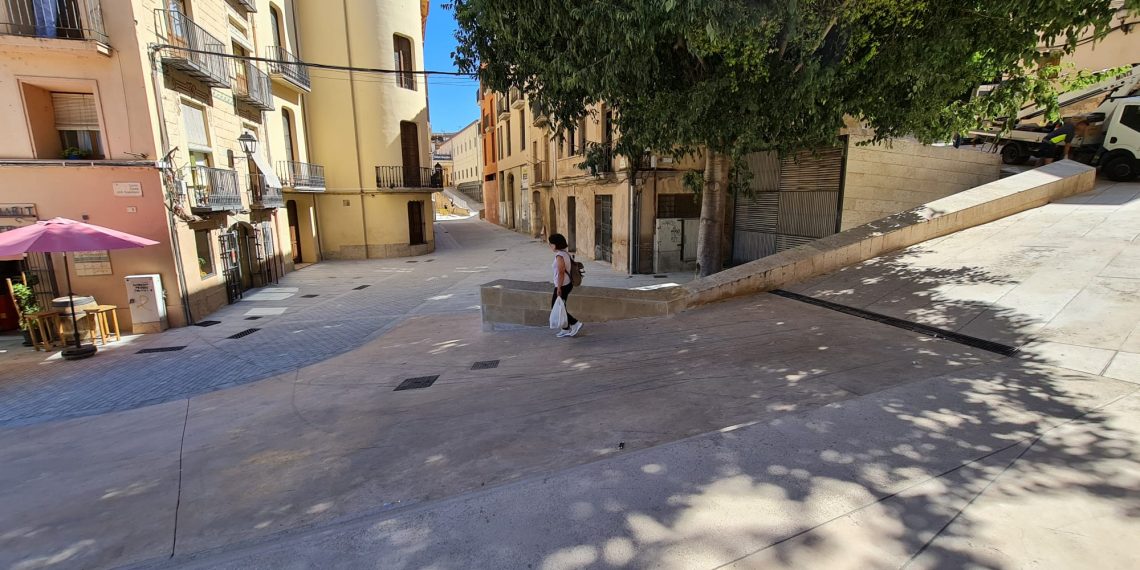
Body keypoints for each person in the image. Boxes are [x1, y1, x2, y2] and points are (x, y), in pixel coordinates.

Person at [549, 233, 582, 337]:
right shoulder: (565, 253)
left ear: (555, 244)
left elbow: (561, 272)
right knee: (561, 306)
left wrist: (558, 288)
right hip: (567, 284)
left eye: (551, 244)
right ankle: (565, 329)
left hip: (562, 285)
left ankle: (575, 323)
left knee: (556, 306)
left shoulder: (560, 256)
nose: (550, 246)